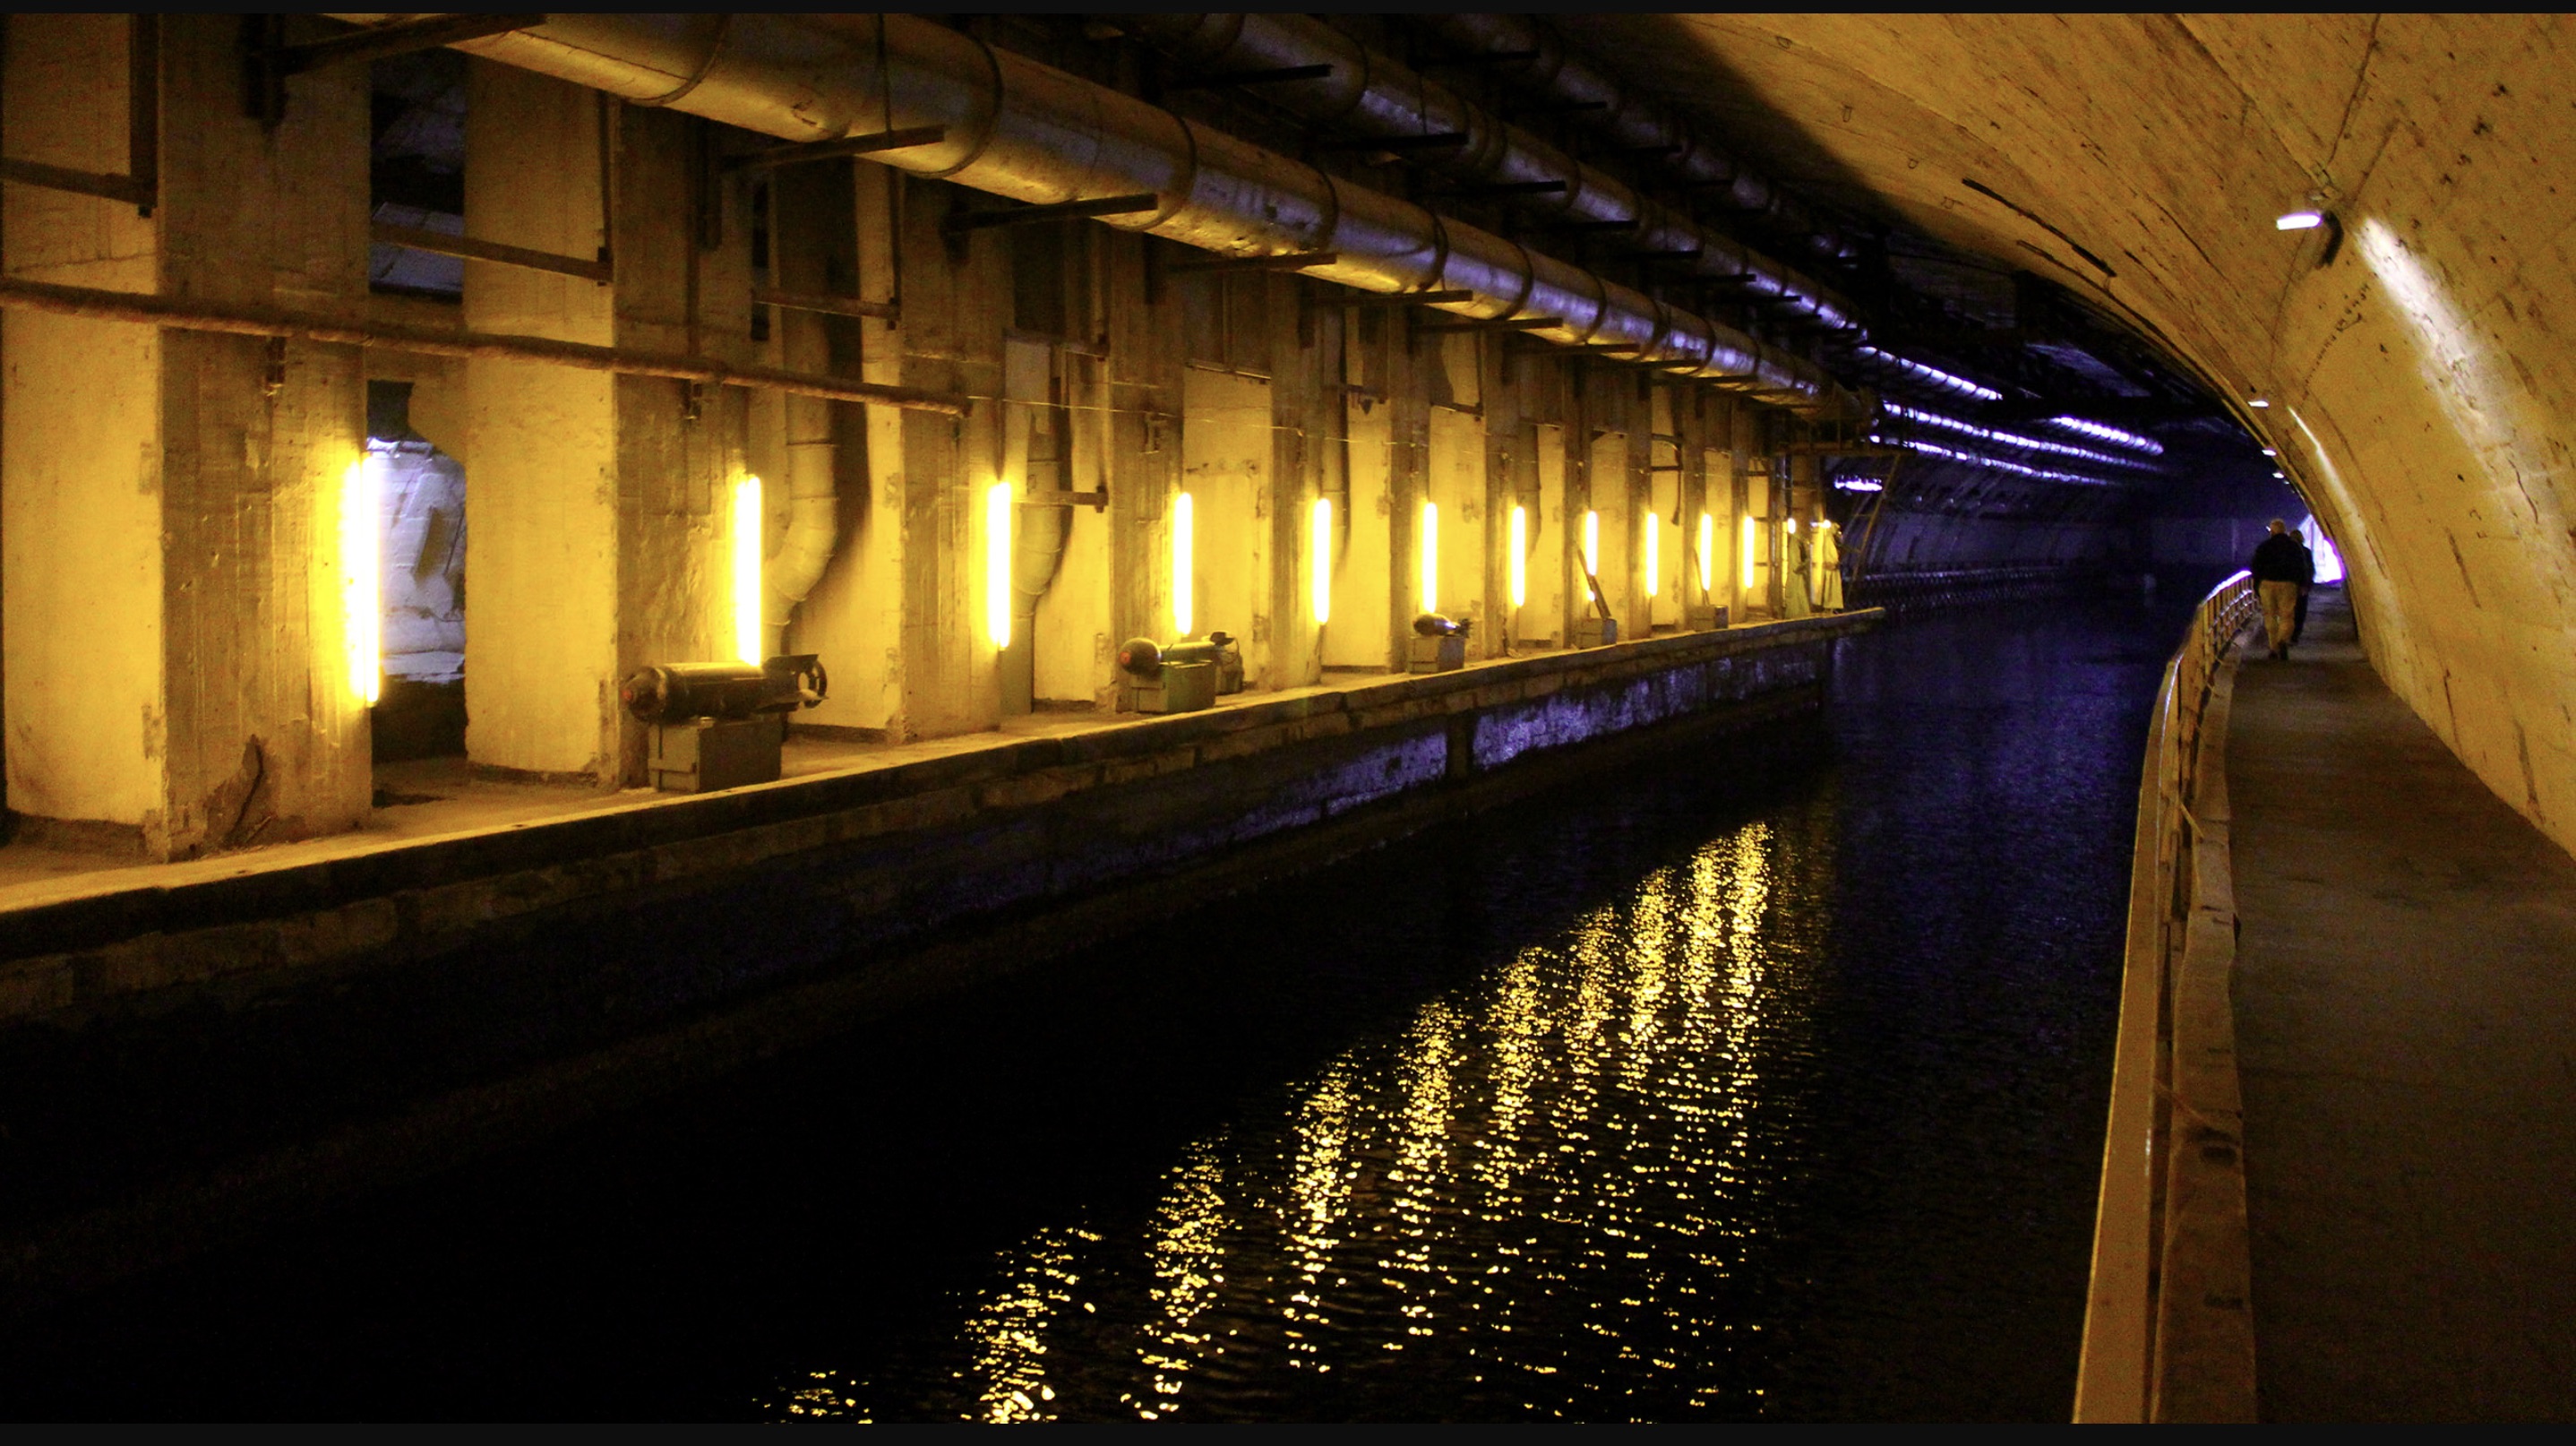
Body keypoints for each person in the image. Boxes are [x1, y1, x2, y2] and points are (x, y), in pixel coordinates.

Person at [2249, 518, 2314, 659]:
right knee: (2287, 615)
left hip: (2267, 584)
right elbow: (2301, 566)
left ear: (2272, 531)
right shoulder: (2294, 547)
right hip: (2288, 585)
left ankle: (2273, 648)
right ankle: (2283, 640)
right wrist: (2303, 584)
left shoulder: (2264, 547)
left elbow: (2256, 567)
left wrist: (2256, 586)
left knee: (2270, 615)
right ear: (2284, 530)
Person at [1810, 520, 1843, 613]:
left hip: (1831, 569)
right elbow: (1831, 554)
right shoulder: (1829, 539)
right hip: (1830, 570)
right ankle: (1829, 606)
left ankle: (1830, 607)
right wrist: (1833, 563)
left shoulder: (1830, 539)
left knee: (1830, 588)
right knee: (1829, 589)